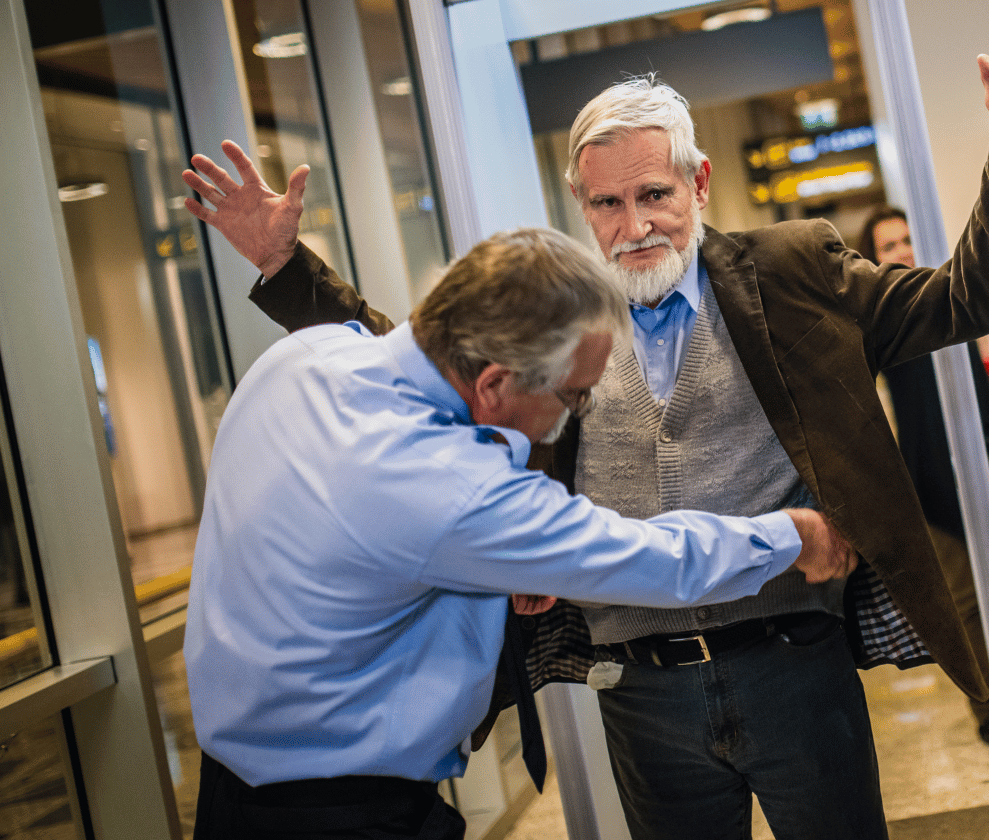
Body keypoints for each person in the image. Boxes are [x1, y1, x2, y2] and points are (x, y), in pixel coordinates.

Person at [188, 15, 989, 838]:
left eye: (654, 194)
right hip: (640, 688)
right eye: (607, 205)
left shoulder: (790, 272)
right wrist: (284, 266)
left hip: (792, 663)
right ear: (581, 203)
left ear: (699, 182)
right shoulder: (559, 320)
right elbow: (433, 360)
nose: (634, 226)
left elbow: (966, 298)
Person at [181, 226, 857, 840]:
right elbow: (654, 558)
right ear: (497, 382)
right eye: (574, 397)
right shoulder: (452, 485)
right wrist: (793, 535)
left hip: (232, 794)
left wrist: (483, 580)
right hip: (341, 816)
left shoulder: (302, 357)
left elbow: (349, 555)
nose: (574, 418)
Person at [857, 206, 989, 750]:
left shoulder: (949, 300)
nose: (900, 252)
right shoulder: (879, 322)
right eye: (887, 246)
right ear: (871, 260)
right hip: (928, 485)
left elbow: (979, 382)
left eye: (906, 240)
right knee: (964, 601)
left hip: (980, 472)